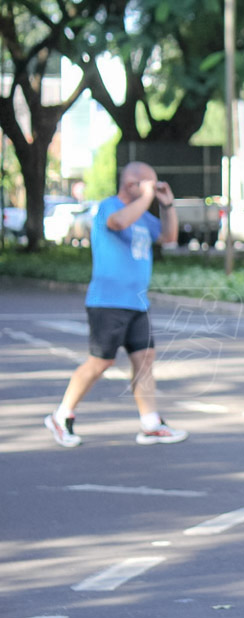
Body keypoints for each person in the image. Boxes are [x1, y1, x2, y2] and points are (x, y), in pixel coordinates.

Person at [44, 162, 188, 448]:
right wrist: (147, 197)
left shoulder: (145, 217)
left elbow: (169, 237)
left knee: (145, 359)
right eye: (150, 183)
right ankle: (61, 416)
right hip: (108, 302)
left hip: (137, 303)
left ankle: (150, 424)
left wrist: (167, 205)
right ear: (131, 183)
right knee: (101, 362)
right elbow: (119, 223)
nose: (154, 189)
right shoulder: (109, 207)